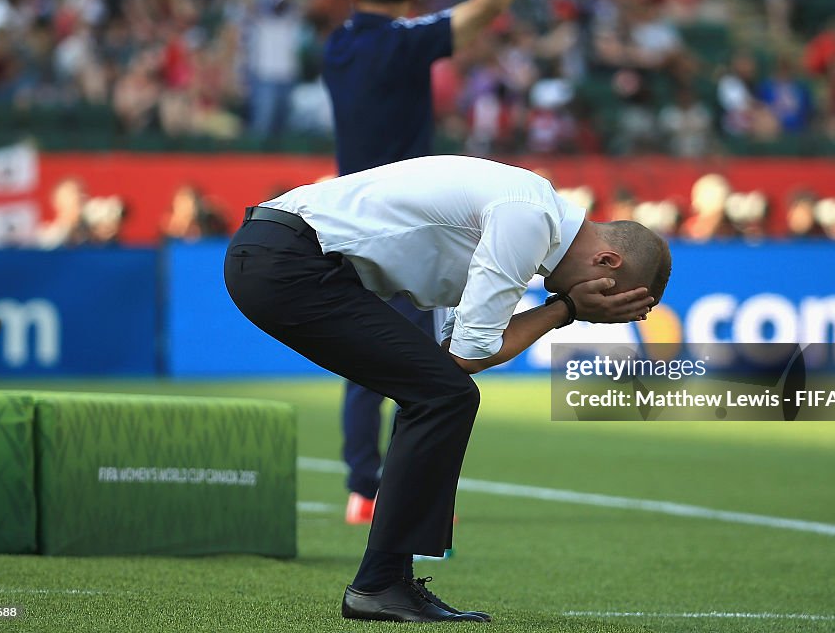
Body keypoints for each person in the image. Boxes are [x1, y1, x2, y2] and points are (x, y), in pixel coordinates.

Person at [223, 155, 669, 623]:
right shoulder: (529, 218)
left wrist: (565, 307)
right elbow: (466, 359)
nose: (606, 312)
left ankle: (384, 580)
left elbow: (455, 352)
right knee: (443, 395)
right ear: (606, 261)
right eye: (614, 299)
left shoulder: (531, 224)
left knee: (437, 391)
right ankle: (379, 584)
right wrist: (567, 310)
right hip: (289, 261)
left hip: (282, 254)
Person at [323, 0, 544, 526]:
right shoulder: (404, 44)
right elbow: (489, 6)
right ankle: (401, 492)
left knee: (363, 363)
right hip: (407, 225)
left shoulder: (338, 46)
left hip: (345, 218)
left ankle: (363, 487)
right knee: (420, 362)